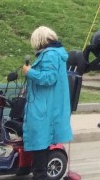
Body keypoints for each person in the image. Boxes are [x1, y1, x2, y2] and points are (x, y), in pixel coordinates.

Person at [20, 25, 73, 180]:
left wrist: (29, 72)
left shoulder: (50, 55)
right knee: (41, 144)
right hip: (47, 105)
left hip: (43, 108)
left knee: (40, 144)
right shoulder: (55, 53)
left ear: (39, 40)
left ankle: (39, 176)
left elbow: (49, 78)